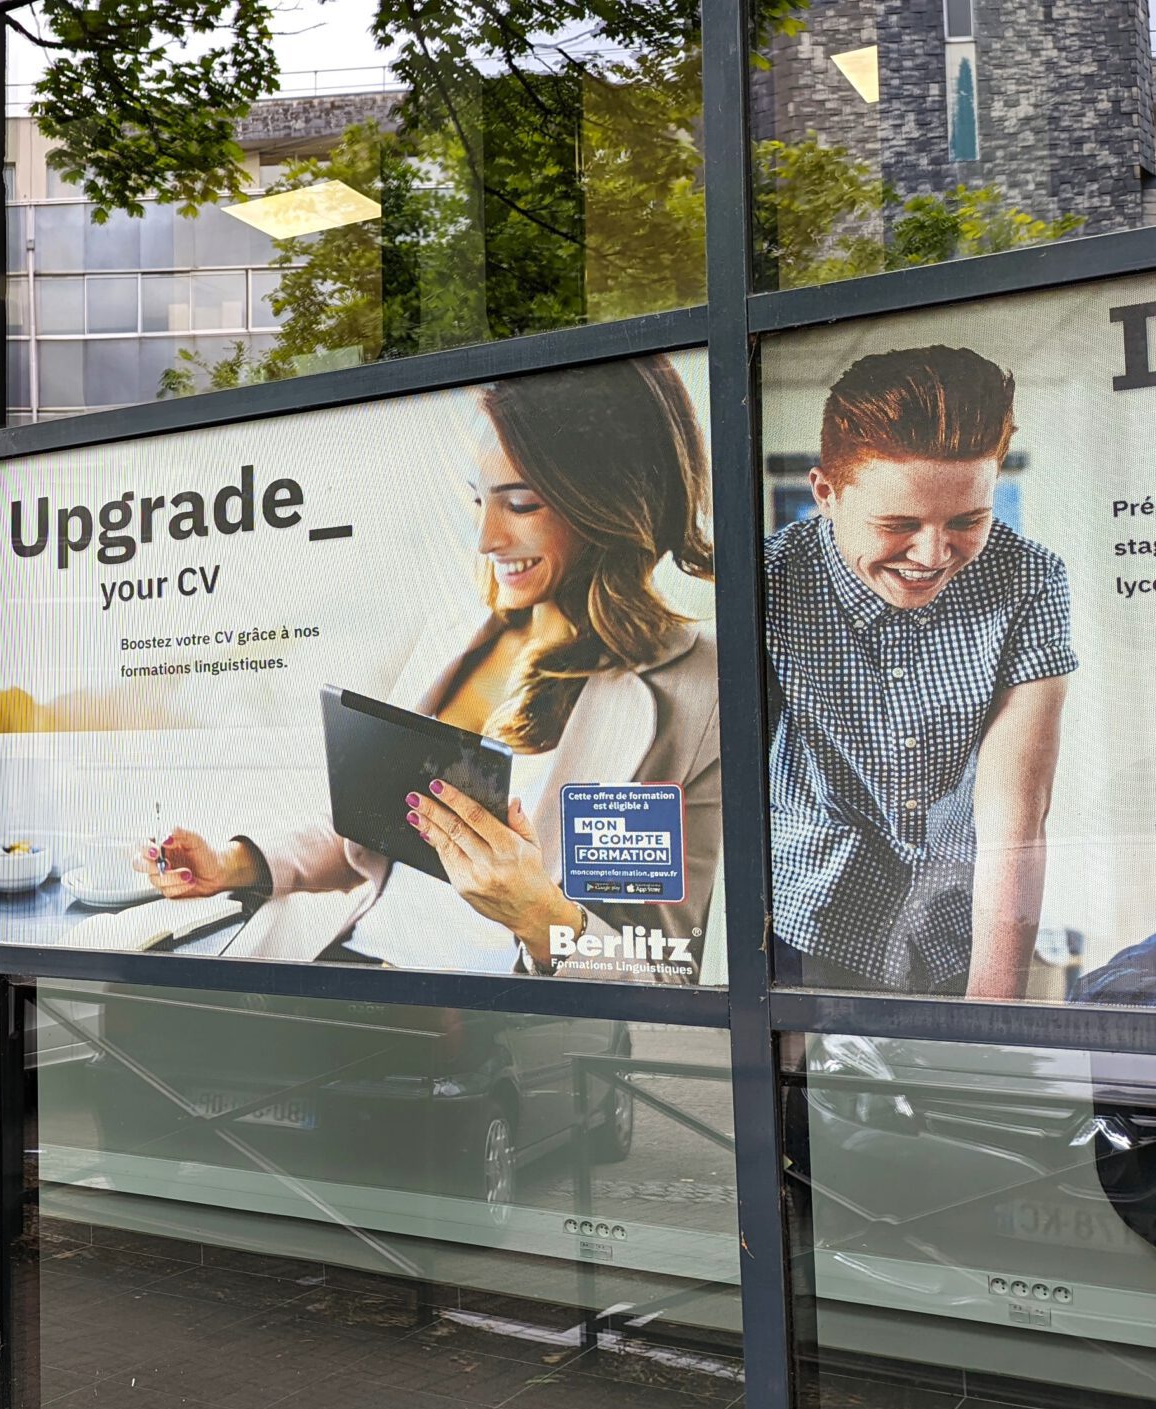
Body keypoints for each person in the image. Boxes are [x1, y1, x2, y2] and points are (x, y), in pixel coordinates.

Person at [143, 355, 721, 981]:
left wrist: (539, 916)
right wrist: (234, 864)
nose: (485, 539)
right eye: (478, 499)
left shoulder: (693, 693)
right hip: (356, 966)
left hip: (491, 1032)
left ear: (610, 501)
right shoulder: (457, 637)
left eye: (521, 504)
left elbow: (667, 968)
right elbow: (366, 830)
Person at [763, 345, 1073, 998]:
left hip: (961, 927)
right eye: (897, 524)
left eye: (968, 521)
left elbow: (1016, 810)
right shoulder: (769, 581)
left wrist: (993, 1015)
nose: (933, 554)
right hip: (810, 921)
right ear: (825, 493)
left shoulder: (1030, 579)